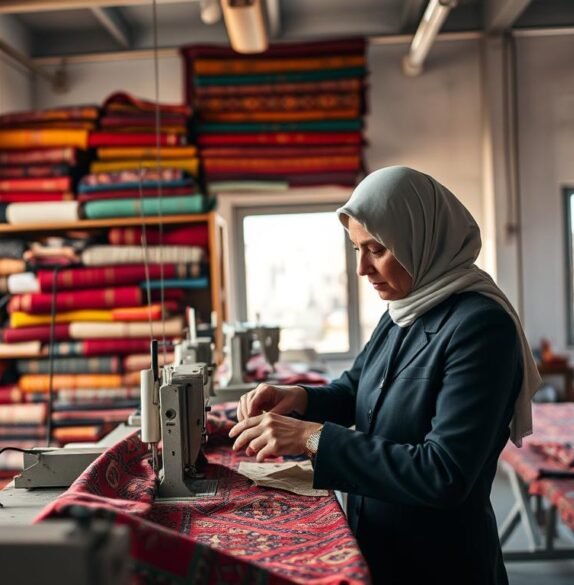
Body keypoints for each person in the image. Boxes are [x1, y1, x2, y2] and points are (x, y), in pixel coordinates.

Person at [229, 166, 540, 584]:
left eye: (376, 250)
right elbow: (357, 388)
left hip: (440, 565)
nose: (362, 268)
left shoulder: (481, 327)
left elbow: (443, 472)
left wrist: (310, 437)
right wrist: (299, 399)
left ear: (419, 240)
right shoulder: (401, 313)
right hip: (379, 546)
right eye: (357, 249)